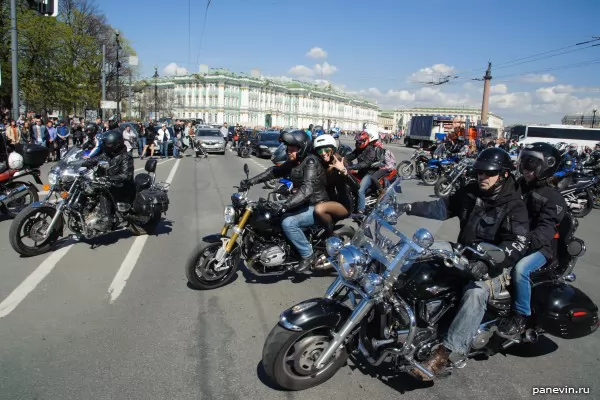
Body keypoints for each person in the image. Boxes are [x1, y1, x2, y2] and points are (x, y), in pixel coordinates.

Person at [395, 147, 530, 380]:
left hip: (495, 265)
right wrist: (407, 207)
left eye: (489, 173)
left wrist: (488, 264)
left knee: (475, 293)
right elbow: (441, 207)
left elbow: (518, 242)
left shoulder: (514, 206)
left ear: (505, 174)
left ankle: (447, 353)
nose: (482, 177)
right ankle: (399, 306)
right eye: (479, 172)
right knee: (419, 251)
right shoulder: (471, 192)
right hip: (464, 252)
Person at [496, 142, 566, 336]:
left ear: (546, 166)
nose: (525, 168)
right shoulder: (520, 186)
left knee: (520, 270)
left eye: (531, 164)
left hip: (541, 249)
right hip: (516, 238)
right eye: (524, 162)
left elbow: (546, 230)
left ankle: (521, 315)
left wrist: (523, 242)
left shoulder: (553, 197)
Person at [239, 130, 328, 272]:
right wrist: (250, 182)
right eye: (288, 149)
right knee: (269, 213)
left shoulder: (310, 162)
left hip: (317, 204)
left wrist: (286, 205)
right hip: (302, 201)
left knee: (289, 223)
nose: (288, 152)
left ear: (302, 148)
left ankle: (307, 254)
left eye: (292, 149)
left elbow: (307, 190)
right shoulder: (294, 162)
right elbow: (274, 172)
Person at [87, 130, 134, 231]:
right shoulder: (109, 154)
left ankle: (106, 221)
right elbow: (97, 158)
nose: (105, 146)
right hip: (111, 182)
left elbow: (126, 175)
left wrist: (109, 178)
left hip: (123, 185)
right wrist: (85, 162)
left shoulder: (126, 157)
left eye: (108, 144)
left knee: (104, 191)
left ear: (116, 145)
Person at [312, 134, 359, 236]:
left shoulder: (339, 163)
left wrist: (344, 171)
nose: (323, 153)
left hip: (342, 205)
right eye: (320, 151)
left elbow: (356, 186)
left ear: (332, 149)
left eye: (326, 150)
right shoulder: (320, 163)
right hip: (327, 200)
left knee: (319, 209)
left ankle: (330, 237)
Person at [345, 130, 384, 214]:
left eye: (359, 142)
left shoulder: (371, 150)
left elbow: (365, 163)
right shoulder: (359, 149)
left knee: (360, 190)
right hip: (361, 172)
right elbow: (350, 156)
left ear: (365, 141)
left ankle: (361, 210)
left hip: (369, 174)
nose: (357, 143)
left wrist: (352, 166)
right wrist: (339, 159)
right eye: (357, 141)